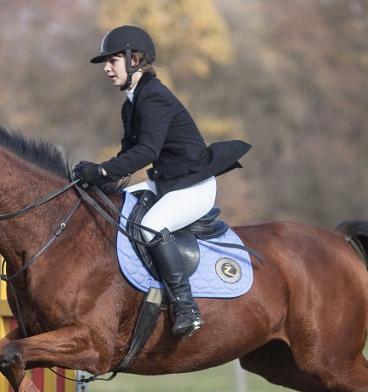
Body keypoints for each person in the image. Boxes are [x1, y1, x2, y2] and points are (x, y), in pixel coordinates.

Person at [72, 25, 250, 339]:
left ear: (135, 59)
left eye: (112, 60)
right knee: (118, 206)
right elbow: (128, 153)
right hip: (170, 184)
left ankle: (186, 306)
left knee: (149, 225)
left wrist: (101, 171)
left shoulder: (153, 97)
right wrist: (98, 183)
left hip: (193, 187)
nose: (106, 68)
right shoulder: (132, 101)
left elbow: (146, 151)